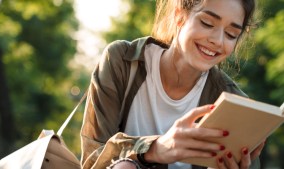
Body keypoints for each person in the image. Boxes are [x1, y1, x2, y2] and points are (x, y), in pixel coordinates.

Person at [80, 0, 265, 168]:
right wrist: (155, 149)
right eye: (207, 23)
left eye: (231, 34)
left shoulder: (233, 101)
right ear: (179, 15)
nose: (218, 40)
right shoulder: (123, 62)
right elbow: (92, 159)